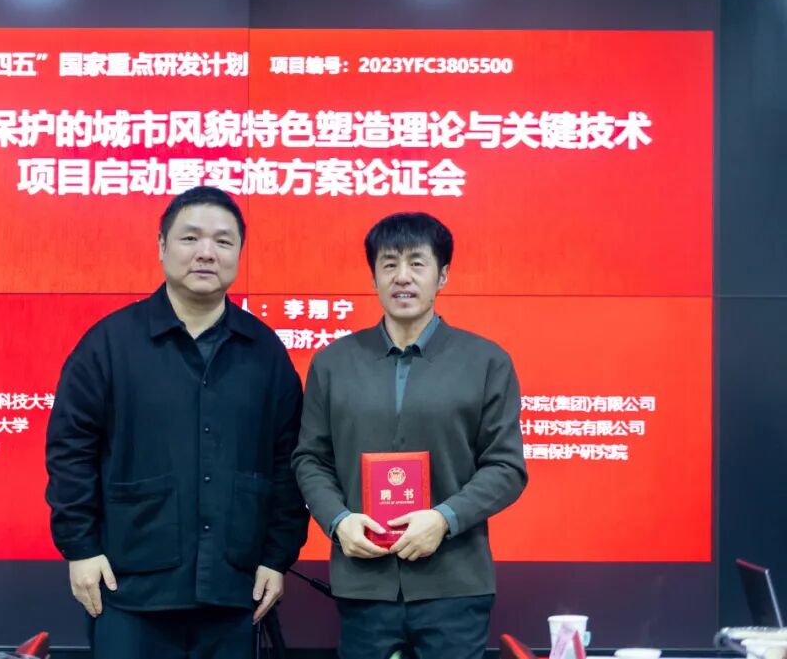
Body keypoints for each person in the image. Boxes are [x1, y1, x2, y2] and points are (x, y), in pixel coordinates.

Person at [45, 186, 308, 659]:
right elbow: (71, 451)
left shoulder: (264, 351)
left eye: (223, 241)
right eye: (190, 238)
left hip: (233, 588)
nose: (207, 252)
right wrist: (80, 548)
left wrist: (277, 556)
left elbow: (288, 461)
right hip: (128, 588)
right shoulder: (110, 344)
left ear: (238, 253)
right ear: (162, 246)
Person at [292, 212, 528, 659]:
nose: (402, 276)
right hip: (364, 582)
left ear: (443, 275)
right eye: (389, 264)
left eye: (417, 263)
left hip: (455, 582)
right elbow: (310, 459)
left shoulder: (486, 361)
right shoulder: (333, 363)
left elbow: (506, 467)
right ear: (374, 277)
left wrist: (444, 519)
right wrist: (339, 521)